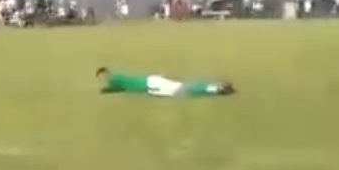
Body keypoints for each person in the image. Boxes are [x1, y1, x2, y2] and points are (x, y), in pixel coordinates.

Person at [96, 67, 235, 97]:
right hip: (152, 82)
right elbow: (121, 88)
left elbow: (114, 87)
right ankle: (218, 89)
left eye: (102, 77)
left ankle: (219, 89)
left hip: (153, 86)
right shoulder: (119, 80)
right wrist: (104, 91)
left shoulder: (115, 78)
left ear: (106, 73)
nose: (102, 80)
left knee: (184, 90)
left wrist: (104, 90)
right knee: (185, 90)